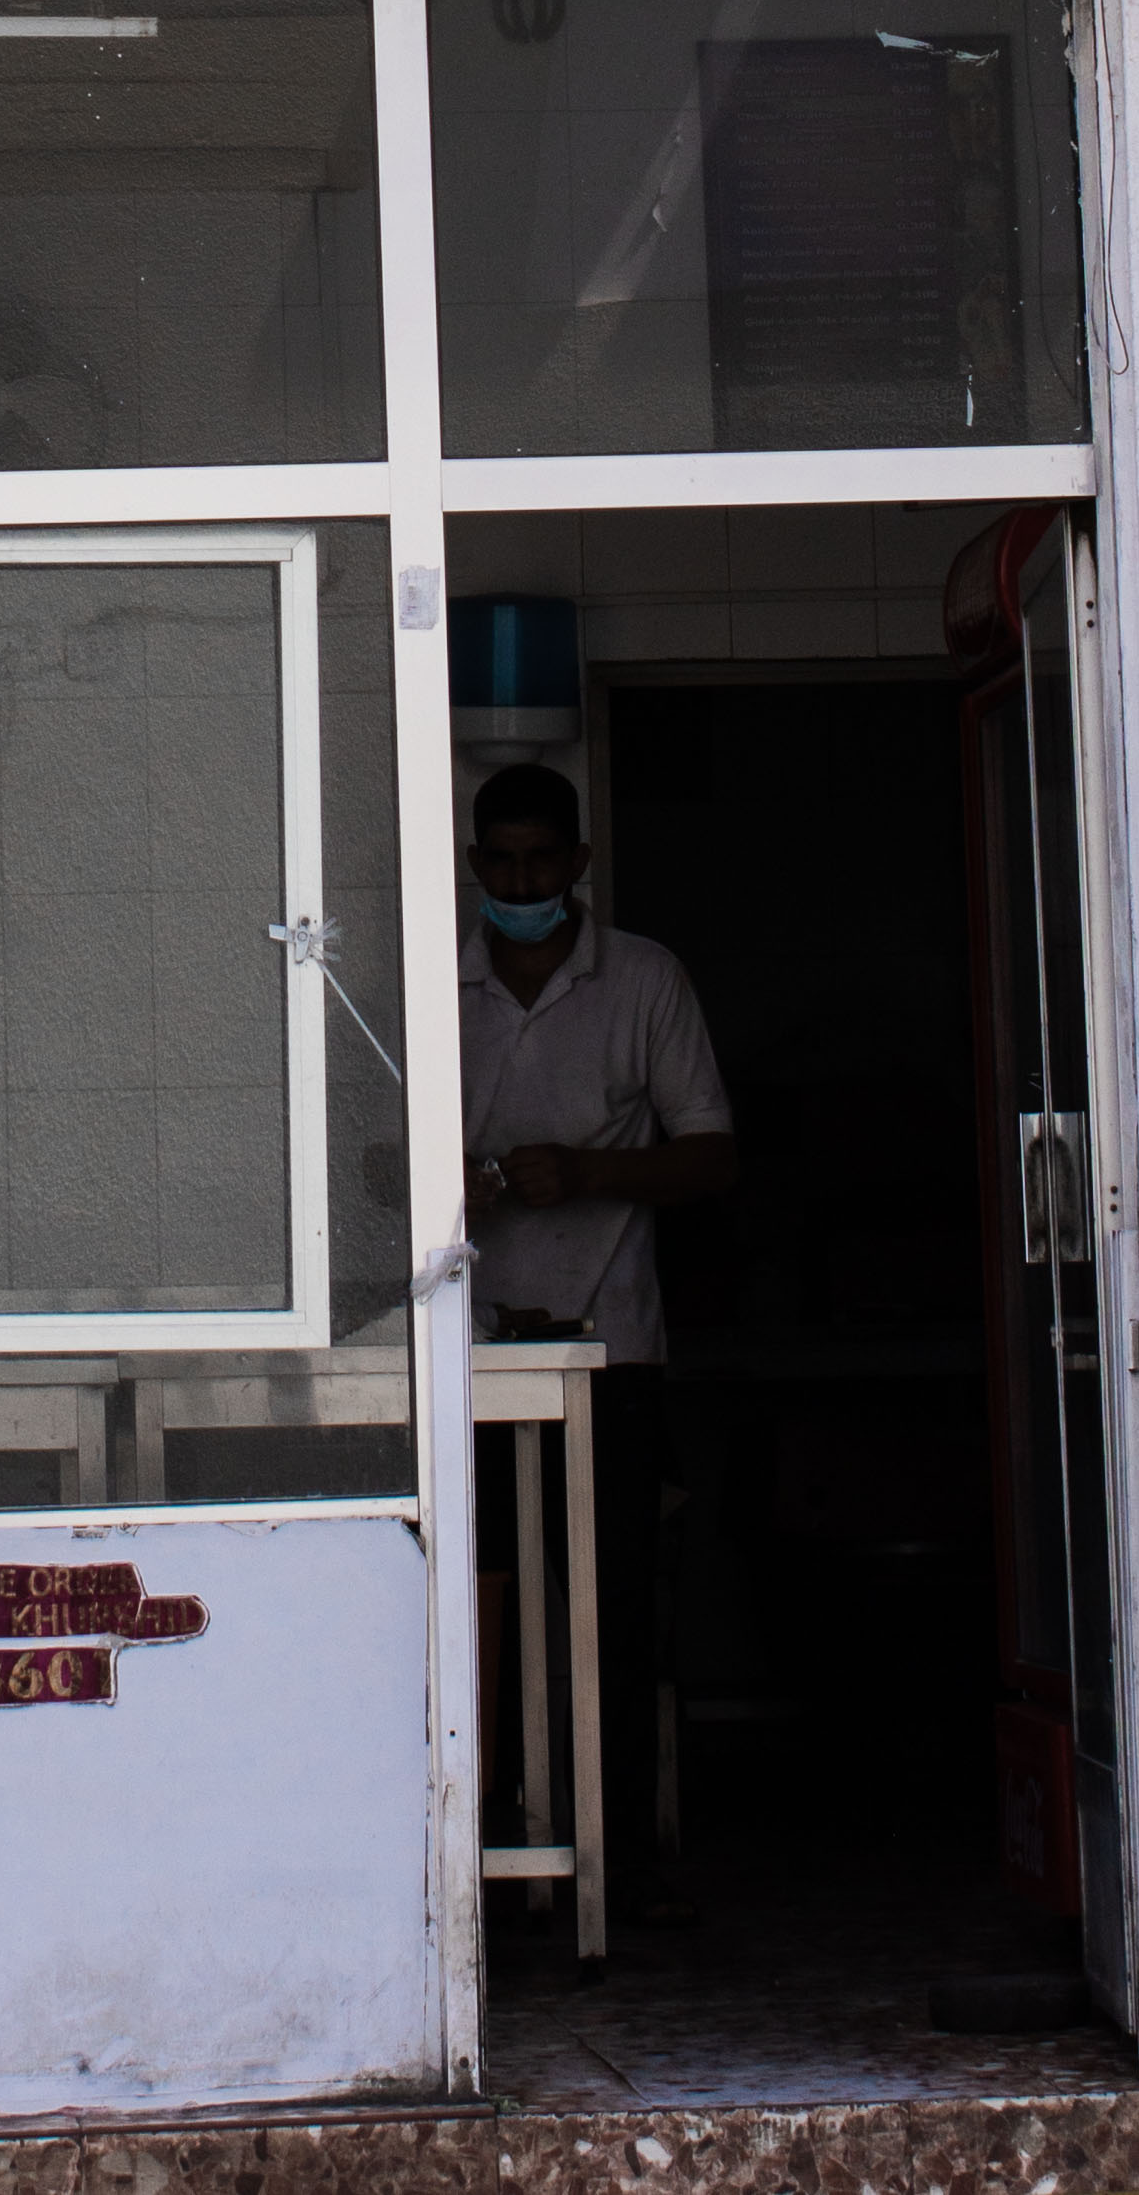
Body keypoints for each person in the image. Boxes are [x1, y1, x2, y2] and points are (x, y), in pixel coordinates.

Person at [460, 756, 735, 1918]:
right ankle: (475, 1853)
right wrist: (464, 1186)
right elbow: (364, 1162)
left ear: (578, 864)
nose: (523, 881)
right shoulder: (441, 974)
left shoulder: (643, 978)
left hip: (610, 1343)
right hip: (461, 1346)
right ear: (474, 867)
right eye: (503, 863)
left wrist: (588, 1173)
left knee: (604, 1612)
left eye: (542, 862)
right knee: (473, 1609)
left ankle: (607, 1865)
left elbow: (713, 1153)